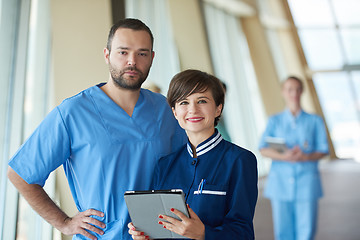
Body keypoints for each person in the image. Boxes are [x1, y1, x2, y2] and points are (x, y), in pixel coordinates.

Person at [7, 18, 186, 240]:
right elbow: (20, 174)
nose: (132, 61)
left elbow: (187, 169)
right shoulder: (73, 112)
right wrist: (64, 223)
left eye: (142, 53)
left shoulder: (165, 109)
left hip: (158, 236)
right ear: (107, 54)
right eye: (123, 52)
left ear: (152, 58)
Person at [128, 69, 258, 240]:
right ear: (174, 112)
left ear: (218, 108)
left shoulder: (240, 160)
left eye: (202, 101)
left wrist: (204, 234)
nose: (193, 110)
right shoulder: (164, 165)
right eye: (183, 102)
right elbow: (163, 227)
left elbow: (243, 233)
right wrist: (146, 235)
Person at [258, 76, 329, 240]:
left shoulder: (315, 120)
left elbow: (323, 150)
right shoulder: (274, 121)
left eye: (297, 89)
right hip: (280, 183)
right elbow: (263, 148)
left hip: (307, 182)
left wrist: (306, 156)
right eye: (290, 89)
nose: (294, 93)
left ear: (302, 91)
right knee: (283, 232)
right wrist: (284, 156)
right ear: (283, 92)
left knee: (307, 230)